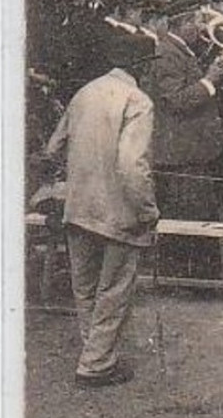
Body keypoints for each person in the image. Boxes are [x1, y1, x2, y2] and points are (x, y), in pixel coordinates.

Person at [43, 29, 161, 387]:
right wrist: (148, 211)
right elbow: (131, 166)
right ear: (142, 67)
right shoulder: (138, 101)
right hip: (118, 214)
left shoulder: (84, 93)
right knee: (114, 289)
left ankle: (94, 354)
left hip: (78, 208)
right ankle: (95, 365)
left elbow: (53, 147)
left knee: (86, 288)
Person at [143, 0, 223, 282]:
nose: (201, 27)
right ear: (182, 24)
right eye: (196, 21)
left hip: (187, 154)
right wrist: (211, 79)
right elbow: (177, 101)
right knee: (191, 221)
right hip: (181, 156)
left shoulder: (177, 49)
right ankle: (194, 280)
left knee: (190, 219)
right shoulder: (168, 53)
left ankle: (188, 278)